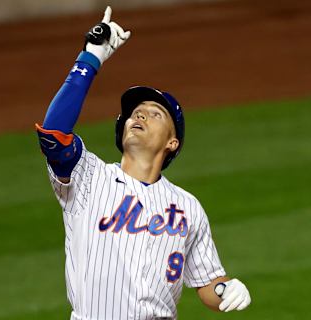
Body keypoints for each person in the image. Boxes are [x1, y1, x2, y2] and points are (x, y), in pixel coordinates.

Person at [35, 7, 251, 320]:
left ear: (171, 143)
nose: (140, 114)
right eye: (136, 112)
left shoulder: (187, 207)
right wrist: (89, 59)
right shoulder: (89, 178)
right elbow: (54, 135)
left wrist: (226, 289)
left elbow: (207, 283)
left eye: (155, 114)